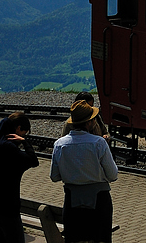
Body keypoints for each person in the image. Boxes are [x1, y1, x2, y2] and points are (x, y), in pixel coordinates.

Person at [51, 100, 119, 243]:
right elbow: (113, 175)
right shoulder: (98, 143)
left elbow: (54, 176)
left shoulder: (59, 144)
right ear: (90, 122)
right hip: (99, 200)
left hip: (72, 200)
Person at [0, 112, 39, 243]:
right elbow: (33, 161)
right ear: (18, 129)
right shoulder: (8, 148)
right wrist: (25, 142)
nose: (24, 135)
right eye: (24, 132)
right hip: (6, 209)